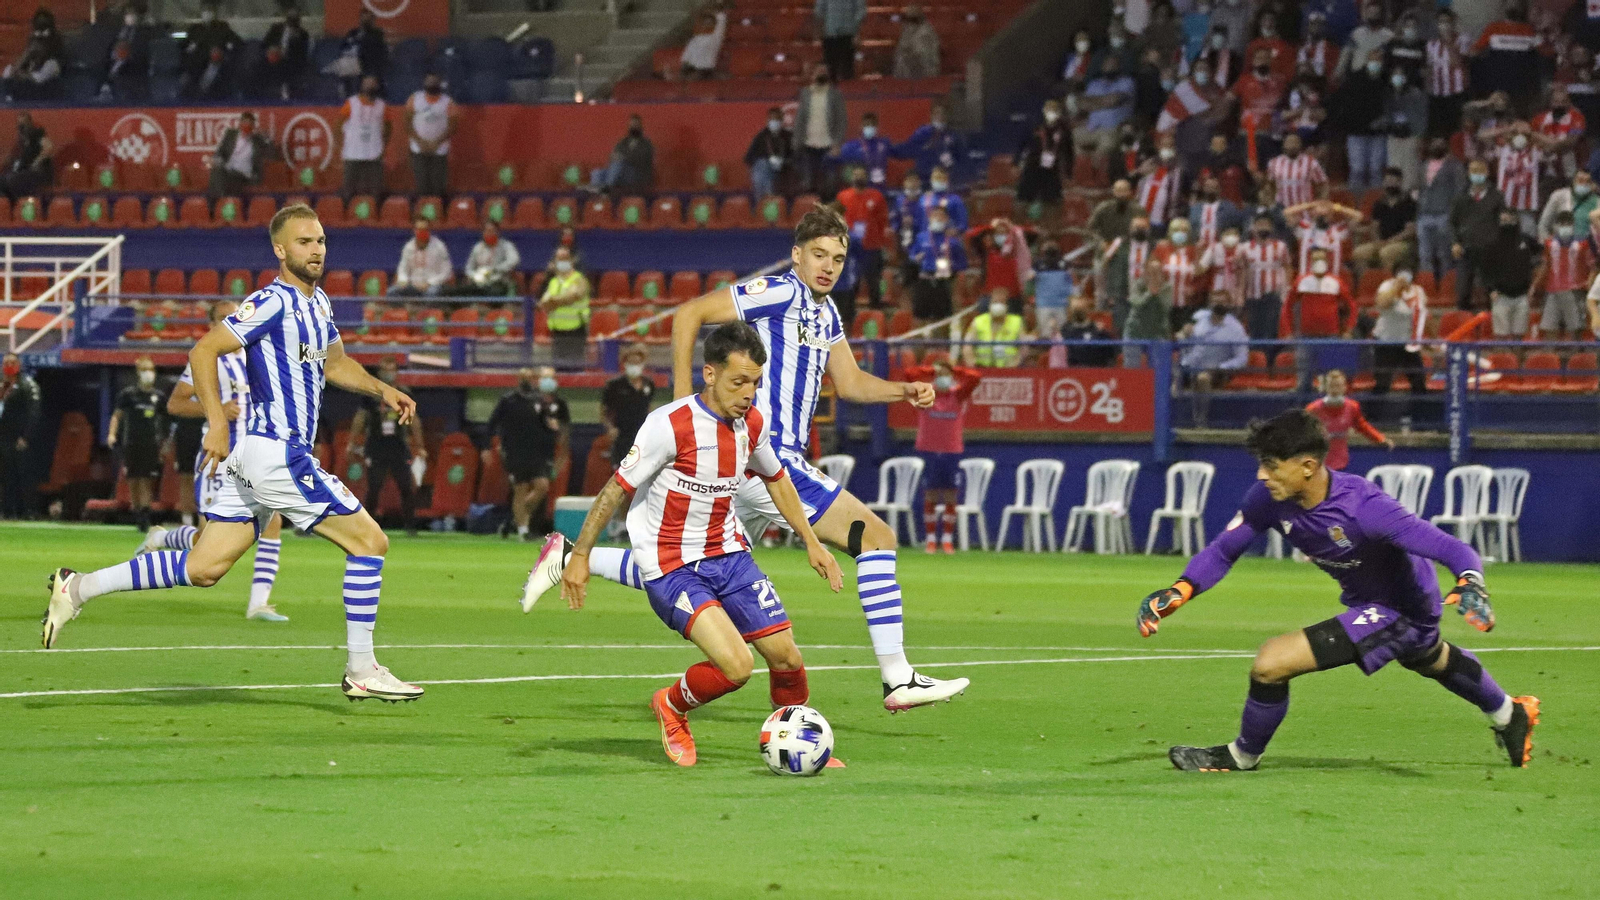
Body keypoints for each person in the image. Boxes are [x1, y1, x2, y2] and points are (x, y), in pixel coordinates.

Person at [527, 207, 969, 711]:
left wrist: (901, 391)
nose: (828, 266)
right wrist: (682, 399)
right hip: (766, 455)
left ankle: (568, 556)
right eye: (819, 255)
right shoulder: (780, 292)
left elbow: (848, 384)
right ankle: (897, 677)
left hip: (751, 462)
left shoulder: (826, 315)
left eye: (839, 259)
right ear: (797, 256)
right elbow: (689, 313)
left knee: (694, 559)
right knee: (877, 538)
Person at [43, 205, 425, 703]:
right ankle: (362, 668)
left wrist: (382, 390)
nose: (317, 250)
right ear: (280, 250)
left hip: (259, 460)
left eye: (322, 240)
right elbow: (203, 350)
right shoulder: (271, 302)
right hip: (276, 454)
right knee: (370, 543)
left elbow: (336, 364)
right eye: (305, 242)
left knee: (204, 568)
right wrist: (217, 425)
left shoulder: (320, 304)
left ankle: (77, 589)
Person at [1139, 409, 1537, 772]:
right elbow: (1224, 550)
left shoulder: (1365, 508)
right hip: (1372, 602)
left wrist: (1470, 580)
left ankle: (1242, 755)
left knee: (1271, 663)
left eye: (1272, 466)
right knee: (1430, 659)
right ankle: (1509, 714)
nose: (1262, 475)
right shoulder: (1269, 498)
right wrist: (1180, 590)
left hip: (1402, 608)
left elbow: (1451, 547)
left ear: (1308, 466)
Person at [559, 322, 843, 767]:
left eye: (754, 383)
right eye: (738, 382)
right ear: (709, 374)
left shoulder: (752, 423)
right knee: (737, 667)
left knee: (787, 657)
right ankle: (671, 706)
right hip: (671, 566)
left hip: (728, 554)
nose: (748, 394)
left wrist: (811, 542)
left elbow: (777, 479)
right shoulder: (668, 425)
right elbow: (615, 489)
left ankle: (796, 740)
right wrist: (580, 555)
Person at [143, 300, 288, 622]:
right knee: (207, 543)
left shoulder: (256, 356)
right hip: (219, 456)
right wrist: (217, 410)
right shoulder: (209, 360)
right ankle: (162, 538)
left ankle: (258, 604)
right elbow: (176, 404)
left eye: (233, 317)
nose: (231, 323)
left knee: (273, 521)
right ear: (211, 324)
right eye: (223, 319)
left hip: (254, 455)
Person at [901, 358, 980, 553]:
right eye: (940, 374)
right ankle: (930, 539)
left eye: (947, 375)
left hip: (952, 450)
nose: (944, 378)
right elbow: (909, 374)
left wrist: (955, 370)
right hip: (929, 449)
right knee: (930, 494)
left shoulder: (958, 395)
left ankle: (946, 539)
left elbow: (975, 377)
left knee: (951, 495)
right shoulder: (925, 396)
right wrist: (930, 369)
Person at [487, 367, 569, 540]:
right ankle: (523, 530)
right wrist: (490, 446)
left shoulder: (539, 401)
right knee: (520, 488)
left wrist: (552, 427)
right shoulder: (508, 400)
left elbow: (548, 424)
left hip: (536, 451)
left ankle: (514, 520)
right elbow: (494, 423)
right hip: (515, 451)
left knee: (542, 486)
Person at [346, 357, 423, 536]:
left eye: (392, 369)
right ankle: (368, 525)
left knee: (406, 486)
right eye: (385, 370)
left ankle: (411, 526)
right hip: (376, 447)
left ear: (397, 372)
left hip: (398, 446)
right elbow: (360, 418)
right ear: (379, 373)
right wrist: (352, 442)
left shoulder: (404, 393)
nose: (389, 374)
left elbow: (415, 421)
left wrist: (420, 445)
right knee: (373, 487)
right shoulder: (370, 395)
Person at [108, 357, 166, 533]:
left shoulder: (159, 397)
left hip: (150, 443)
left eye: (151, 370)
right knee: (133, 478)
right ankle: (137, 512)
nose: (149, 374)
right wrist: (112, 433)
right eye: (145, 370)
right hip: (131, 442)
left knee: (146, 479)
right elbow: (117, 415)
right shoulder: (128, 395)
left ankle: (145, 513)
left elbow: (165, 420)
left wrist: (164, 443)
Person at [1179, 298, 1248, 427]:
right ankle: (1162, 423)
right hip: (1189, 364)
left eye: (1223, 299)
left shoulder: (1236, 328)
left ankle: (1200, 422)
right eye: (1215, 299)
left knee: (1202, 378)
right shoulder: (1199, 318)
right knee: (1165, 374)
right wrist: (1184, 335)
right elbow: (1184, 343)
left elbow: (1242, 359)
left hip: (1217, 370)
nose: (1219, 303)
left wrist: (1220, 367)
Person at [1306, 369, 1391, 470]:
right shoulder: (1314, 409)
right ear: (1326, 387)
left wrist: (1380, 439)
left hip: (1341, 463)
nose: (1335, 390)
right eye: (1332, 386)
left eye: (1338, 386)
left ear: (1344, 387)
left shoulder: (1352, 407)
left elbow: (1363, 427)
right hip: (1319, 464)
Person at [834, 166, 889, 320]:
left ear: (867, 177)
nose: (859, 177)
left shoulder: (877, 196)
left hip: (872, 246)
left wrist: (880, 242)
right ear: (851, 177)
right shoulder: (843, 196)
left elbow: (883, 221)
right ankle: (848, 317)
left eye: (862, 174)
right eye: (856, 174)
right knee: (852, 283)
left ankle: (876, 315)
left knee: (873, 281)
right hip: (850, 249)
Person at [1450, 158, 1504, 310]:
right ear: (1468, 174)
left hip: (1489, 250)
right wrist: (1455, 242)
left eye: (1480, 171)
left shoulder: (1497, 197)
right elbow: (1452, 223)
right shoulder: (1460, 198)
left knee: (1491, 292)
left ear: (1487, 173)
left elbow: (1503, 223)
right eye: (1474, 171)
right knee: (1462, 293)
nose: (1477, 174)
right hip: (1466, 249)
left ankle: (1490, 327)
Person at [1531, 212, 1592, 339]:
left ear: (1573, 225)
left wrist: (1589, 286)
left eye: (1568, 224)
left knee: (1575, 327)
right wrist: (1535, 286)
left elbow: (1590, 266)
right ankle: (1550, 356)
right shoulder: (1549, 244)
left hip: (1575, 290)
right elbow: (1545, 266)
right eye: (1562, 224)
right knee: (1549, 326)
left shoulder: (1582, 244)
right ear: (1557, 226)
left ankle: (1575, 356)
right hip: (1552, 290)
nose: (1565, 227)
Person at [1370, 270, 1428, 395]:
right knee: (1382, 382)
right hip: (1386, 342)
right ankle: (1375, 413)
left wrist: (1431, 341)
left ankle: (1418, 413)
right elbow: (1382, 304)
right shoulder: (1387, 286)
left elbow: (1423, 315)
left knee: (1418, 381)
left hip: (1408, 342)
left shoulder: (1418, 291)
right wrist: (1397, 288)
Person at [1416, 138, 1466, 282]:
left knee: (1444, 254)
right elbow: (1420, 188)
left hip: (1444, 214)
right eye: (1434, 144)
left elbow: (1460, 190)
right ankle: (1428, 285)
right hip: (1424, 214)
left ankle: (1446, 285)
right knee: (1424, 254)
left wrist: (1454, 213)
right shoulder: (1424, 165)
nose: (1436, 146)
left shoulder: (1454, 166)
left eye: (1439, 144)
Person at [1352, 167, 1417, 277]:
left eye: (1393, 181)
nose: (1389, 184)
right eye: (1387, 181)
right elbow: (1374, 227)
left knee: (1385, 253)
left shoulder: (1408, 203)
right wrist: (1378, 241)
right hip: (1382, 242)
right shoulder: (1379, 203)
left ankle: (1386, 285)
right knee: (1359, 252)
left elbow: (1410, 231)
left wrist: (1390, 241)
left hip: (1403, 243)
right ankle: (1364, 284)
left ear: (1399, 182)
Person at [600, 344, 655, 471]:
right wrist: (610, 428)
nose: (634, 365)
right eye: (631, 362)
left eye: (637, 362)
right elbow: (604, 411)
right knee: (621, 470)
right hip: (621, 435)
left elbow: (648, 407)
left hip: (641, 435)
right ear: (625, 364)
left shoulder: (649, 385)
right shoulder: (614, 386)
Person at [908, 204, 967, 323]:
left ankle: (941, 340)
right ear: (930, 218)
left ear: (946, 220)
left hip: (943, 281)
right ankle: (919, 340)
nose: (938, 219)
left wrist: (952, 265)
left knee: (942, 318)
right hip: (924, 280)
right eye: (935, 216)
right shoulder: (921, 237)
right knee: (920, 316)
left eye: (941, 217)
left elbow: (963, 264)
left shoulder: (953, 242)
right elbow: (912, 255)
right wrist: (916, 258)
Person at [1485, 209, 1538, 338]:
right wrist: (1490, 289)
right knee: (1500, 336)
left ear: (1516, 221)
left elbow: (1543, 260)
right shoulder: (1492, 242)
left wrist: (1533, 287)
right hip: (1500, 296)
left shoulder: (1526, 240)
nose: (1505, 224)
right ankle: (1501, 359)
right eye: (1502, 221)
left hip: (1522, 296)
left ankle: (1517, 359)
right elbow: (1485, 269)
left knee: (1519, 337)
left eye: (1508, 220)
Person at [1102, 212, 1157, 334]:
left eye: (1143, 228)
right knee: (1122, 324)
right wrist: (1110, 289)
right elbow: (1105, 261)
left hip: (1144, 288)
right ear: (1130, 228)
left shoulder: (1153, 246)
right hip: (1122, 288)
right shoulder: (1120, 242)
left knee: (1142, 325)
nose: (1139, 230)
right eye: (1136, 227)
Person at [0, 353, 40, 519]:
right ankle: (8, 511)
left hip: (20, 439)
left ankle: (27, 511)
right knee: (5, 475)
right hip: (4, 438)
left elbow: (34, 413)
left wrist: (25, 436)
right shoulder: (3, 386)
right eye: (6, 362)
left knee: (22, 475)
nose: (9, 366)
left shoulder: (27, 385)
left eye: (12, 362)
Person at [1241, 213, 1292, 344]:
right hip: (1253, 295)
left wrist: (1286, 289)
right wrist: (1241, 293)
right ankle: (1256, 356)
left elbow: (1287, 267)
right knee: (1254, 329)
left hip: (1273, 296)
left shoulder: (1280, 246)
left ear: (1271, 228)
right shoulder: (1245, 248)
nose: (1263, 227)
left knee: (1271, 330)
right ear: (1253, 228)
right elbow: (1242, 272)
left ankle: (1268, 359)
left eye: (1266, 225)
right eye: (1259, 225)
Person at [1016, 98, 1072, 217]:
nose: (1051, 113)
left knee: (1052, 201)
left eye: (1054, 110)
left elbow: (1068, 152)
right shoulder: (1034, 125)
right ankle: (1019, 228)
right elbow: (1021, 144)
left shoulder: (1064, 129)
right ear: (1044, 111)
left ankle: (1050, 230)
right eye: (1049, 110)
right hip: (1032, 166)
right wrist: (1015, 162)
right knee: (1023, 200)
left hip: (1052, 169)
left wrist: (1068, 172)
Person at [1282, 247, 1354, 340]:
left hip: (1331, 335)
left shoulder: (1336, 282)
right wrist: (1288, 332)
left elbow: (1352, 306)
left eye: (1322, 260)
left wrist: (1348, 330)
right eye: (1315, 260)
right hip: (1306, 336)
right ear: (1311, 262)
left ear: (1327, 262)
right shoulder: (1301, 281)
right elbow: (1287, 306)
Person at [1077, 58, 1135, 172]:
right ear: (1102, 68)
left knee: (1104, 147)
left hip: (1113, 130)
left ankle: (1097, 179)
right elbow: (1082, 103)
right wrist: (1104, 101)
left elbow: (1114, 101)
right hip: (1092, 128)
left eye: (1113, 66)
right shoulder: (1094, 83)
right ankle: (1082, 174)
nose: (1110, 69)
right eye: (1107, 66)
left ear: (1119, 68)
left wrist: (1093, 102)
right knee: (1073, 137)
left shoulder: (1127, 82)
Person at [338, 75, 389, 201]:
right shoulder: (351, 103)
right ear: (362, 86)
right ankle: (347, 214)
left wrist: (383, 145)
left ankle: (374, 215)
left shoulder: (382, 105)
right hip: (353, 153)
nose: (370, 86)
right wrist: (340, 145)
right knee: (349, 187)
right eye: (367, 83)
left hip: (374, 153)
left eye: (372, 83)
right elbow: (338, 125)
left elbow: (388, 127)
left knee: (375, 188)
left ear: (377, 86)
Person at [795, 69, 846, 194]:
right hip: (808, 144)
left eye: (823, 72)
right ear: (812, 76)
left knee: (830, 183)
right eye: (817, 72)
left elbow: (841, 120)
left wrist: (837, 143)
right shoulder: (805, 94)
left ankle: (828, 212)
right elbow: (800, 119)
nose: (820, 74)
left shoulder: (835, 95)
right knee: (808, 184)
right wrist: (797, 142)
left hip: (829, 145)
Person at [406, 73, 456, 198]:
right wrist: (420, 141)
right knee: (421, 185)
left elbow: (453, 126)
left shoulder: (448, 102)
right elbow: (407, 123)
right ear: (424, 83)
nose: (431, 84)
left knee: (438, 185)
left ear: (439, 84)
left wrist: (437, 142)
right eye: (429, 81)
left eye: (434, 82)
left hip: (439, 148)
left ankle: (438, 212)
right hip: (418, 147)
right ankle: (422, 214)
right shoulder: (415, 98)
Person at [540, 245, 591, 367]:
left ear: (571, 261)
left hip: (575, 331)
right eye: (559, 259)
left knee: (574, 370)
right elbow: (543, 304)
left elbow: (572, 297)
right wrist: (554, 301)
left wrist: (553, 301)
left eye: (565, 258)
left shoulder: (579, 279)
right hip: (557, 332)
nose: (562, 262)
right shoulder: (553, 282)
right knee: (558, 369)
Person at [207, 112, 274, 204]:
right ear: (240, 123)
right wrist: (217, 160)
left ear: (253, 126)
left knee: (228, 181)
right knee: (216, 172)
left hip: (244, 174)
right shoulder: (230, 134)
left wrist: (267, 139)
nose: (247, 125)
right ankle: (216, 204)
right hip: (228, 170)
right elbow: (220, 152)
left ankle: (219, 204)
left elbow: (272, 154)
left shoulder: (257, 140)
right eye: (245, 122)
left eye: (250, 123)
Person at [178, 0, 241, 100]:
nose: (207, 13)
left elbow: (236, 42)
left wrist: (224, 50)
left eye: (209, 10)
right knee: (184, 79)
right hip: (196, 62)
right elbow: (183, 46)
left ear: (214, 13)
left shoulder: (222, 27)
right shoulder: (195, 29)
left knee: (211, 71)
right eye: (205, 10)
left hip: (215, 61)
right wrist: (190, 48)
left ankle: (202, 94)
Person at [1379, 69, 1428, 190]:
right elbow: (1386, 115)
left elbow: (1421, 117)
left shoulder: (1415, 94)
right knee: (1394, 169)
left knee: (1410, 171)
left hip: (1411, 136)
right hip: (1393, 137)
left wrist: (1419, 136)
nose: (1397, 78)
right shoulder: (1387, 94)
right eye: (1395, 75)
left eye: (1400, 75)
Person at [2, 8, 64, 102]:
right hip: (21, 100)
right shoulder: (29, 60)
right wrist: (27, 54)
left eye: (42, 43)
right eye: (36, 42)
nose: (37, 46)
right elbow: (10, 73)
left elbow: (37, 80)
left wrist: (22, 75)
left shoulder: (52, 64)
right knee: (7, 71)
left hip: (42, 102)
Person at [1425, 10, 1470, 139]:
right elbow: (1430, 68)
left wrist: (1448, 42)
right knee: (1437, 130)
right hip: (1437, 94)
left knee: (1455, 130)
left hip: (1457, 92)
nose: (1444, 25)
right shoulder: (1431, 44)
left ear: (1453, 23)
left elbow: (1458, 62)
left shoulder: (1462, 39)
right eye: (1441, 22)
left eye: (1447, 22)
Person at [897, 106, 967, 185]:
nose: (940, 117)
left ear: (947, 116)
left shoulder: (953, 136)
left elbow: (962, 159)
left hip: (943, 179)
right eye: (937, 113)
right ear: (931, 116)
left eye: (942, 114)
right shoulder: (923, 132)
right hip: (923, 178)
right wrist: (890, 150)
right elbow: (908, 148)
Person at [98, 4, 154, 101]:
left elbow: (144, 54)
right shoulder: (117, 32)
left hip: (137, 75)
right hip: (119, 76)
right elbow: (109, 53)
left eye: (132, 14)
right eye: (128, 14)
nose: (130, 16)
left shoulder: (144, 33)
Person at [1124, 256, 1173, 368]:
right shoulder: (1137, 284)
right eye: (1152, 272)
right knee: (1131, 368)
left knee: (1158, 368)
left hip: (1158, 332)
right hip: (1135, 332)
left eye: (1157, 272)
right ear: (1145, 272)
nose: (1154, 275)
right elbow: (1136, 303)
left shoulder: (1167, 287)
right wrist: (1149, 293)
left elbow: (1166, 307)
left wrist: (1157, 293)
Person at [963, 289, 1029, 368]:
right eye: (995, 302)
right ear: (990, 305)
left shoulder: (1017, 322)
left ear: (1007, 306)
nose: (998, 306)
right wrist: (972, 364)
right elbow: (967, 346)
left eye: (1001, 302)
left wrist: (1016, 364)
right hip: (982, 367)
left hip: (1009, 369)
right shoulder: (978, 321)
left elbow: (1024, 348)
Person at [590, 114, 655, 195]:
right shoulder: (623, 142)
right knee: (597, 172)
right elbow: (614, 155)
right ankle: (596, 194)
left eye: (636, 125)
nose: (633, 127)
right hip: (618, 173)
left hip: (636, 174)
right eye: (632, 125)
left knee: (618, 165)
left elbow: (642, 159)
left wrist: (623, 158)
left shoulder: (646, 144)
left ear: (640, 126)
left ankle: (607, 189)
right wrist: (615, 157)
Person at [388, 218, 452, 297]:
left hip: (432, 284)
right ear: (414, 230)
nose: (422, 232)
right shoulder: (408, 247)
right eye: (419, 229)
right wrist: (403, 280)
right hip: (412, 284)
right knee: (392, 292)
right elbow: (403, 267)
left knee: (431, 293)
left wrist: (429, 283)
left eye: (425, 229)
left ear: (429, 230)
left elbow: (447, 272)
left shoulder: (439, 246)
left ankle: (429, 309)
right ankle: (401, 309)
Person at [260, 6, 310, 101]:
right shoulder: (276, 28)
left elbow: (302, 54)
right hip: (272, 56)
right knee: (259, 62)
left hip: (290, 60)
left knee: (286, 65)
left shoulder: (302, 34)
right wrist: (272, 48)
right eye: (290, 17)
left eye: (295, 18)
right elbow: (264, 44)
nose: (292, 21)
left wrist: (294, 41)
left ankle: (284, 90)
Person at [0, 112, 53, 202]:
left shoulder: (37, 134)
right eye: (19, 124)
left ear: (29, 123)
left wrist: (36, 162)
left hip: (37, 173)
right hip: (21, 173)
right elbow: (11, 156)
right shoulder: (21, 142)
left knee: (12, 180)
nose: (21, 127)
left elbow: (48, 147)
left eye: (24, 124)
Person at [458, 222, 520, 297]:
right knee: (461, 290)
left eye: (491, 231)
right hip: (479, 282)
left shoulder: (506, 246)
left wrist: (496, 269)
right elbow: (469, 267)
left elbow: (514, 260)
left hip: (498, 281)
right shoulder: (478, 247)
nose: (489, 233)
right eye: (486, 231)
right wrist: (474, 276)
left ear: (497, 232)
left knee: (494, 293)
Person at [1263, 133, 1325, 208]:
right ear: (1284, 145)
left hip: (1305, 210)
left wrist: (1320, 204)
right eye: (1289, 142)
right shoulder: (1274, 163)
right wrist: (1271, 203)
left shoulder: (1311, 163)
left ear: (1300, 145)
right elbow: (1269, 185)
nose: (1292, 146)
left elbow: (1322, 184)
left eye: (1295, 142)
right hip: (1282, 211)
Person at [745, 108, 794, 201]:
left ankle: (769, 201)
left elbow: (796, 156)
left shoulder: (788, 137)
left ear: (782, 121)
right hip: (764, 170)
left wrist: (783, 161)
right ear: (767, 120)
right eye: (772, 119)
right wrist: (766, 161)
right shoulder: (761, 137)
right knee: (762, 166)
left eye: (777, 119)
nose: (774, 122)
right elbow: (749, 157)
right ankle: (765, 200)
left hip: (784, 169)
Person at [338, 7, 389, 92]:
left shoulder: (377, 34)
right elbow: (343, 48)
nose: (365, 20)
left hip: (368, 65)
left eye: (368, 18)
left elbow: (380, 54)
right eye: (364, 18)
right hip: (351, 63)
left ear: (373, 20)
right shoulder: (353, 33)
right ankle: (345, 92)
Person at [1060, 292, 1117, 367]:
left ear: (1087, 309)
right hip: (1072, 371)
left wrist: (1101, 333)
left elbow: (1110, 353)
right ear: (1070, 310)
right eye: (1075, 308)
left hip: (1095, 371)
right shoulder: (1065, 329)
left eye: (1081, 308)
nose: (1078, 311)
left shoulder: (1097, 329)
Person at [838, 112, 893, 190]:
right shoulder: (851, 146)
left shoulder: (884, 143)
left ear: (877, 127)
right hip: (860, 188)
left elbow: (899, 152)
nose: (869, 127)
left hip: (879, 187)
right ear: (861, 127)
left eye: (872, 125)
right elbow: (840, 162)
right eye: (866, 125)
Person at [1538, 171, 1597, 243]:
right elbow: (1544, 226)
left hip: (1586, 249)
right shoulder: (1559, 196)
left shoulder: (1597, 201)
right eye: (1580, 180)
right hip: (1560, 247)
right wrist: (1548, 246)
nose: (1583, 184)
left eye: (1588, 181)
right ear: (1573, 181)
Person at [815, 0, 865, 81]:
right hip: (830, 34)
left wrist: (854, 27)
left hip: (848, 35)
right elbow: (819, 11)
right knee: (830, 69)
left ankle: (848, 90)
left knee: (847, 69)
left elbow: (861, 11)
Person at [892, 4, 941, 79]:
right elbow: (901, 49)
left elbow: (925, 53)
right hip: (908, 67)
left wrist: (911, 54)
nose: (910, 22)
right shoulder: (906, 31)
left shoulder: (926, 31)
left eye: (913, 19)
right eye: (909, 18)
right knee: (901, 60)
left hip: (925, 67)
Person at [678, 6, 727, 79]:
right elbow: (685, 60)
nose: (705, 26)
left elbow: (721, 19)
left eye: (709, 23)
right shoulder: (694, 40)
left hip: (706, 71)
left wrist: (708, 11)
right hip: (691, 70)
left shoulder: (715, 38)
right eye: (704, 23)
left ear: (713, 26)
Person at [1089, 179, 1138, 245]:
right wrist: (1101, 241)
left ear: (1129, 192)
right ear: (1114, 192)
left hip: (1127, 247)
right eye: (1119, 191)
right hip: (1106, 246)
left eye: (1124, 191)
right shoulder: (1103, 208)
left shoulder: (1137, 211)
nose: (1121, 194)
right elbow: (1091, 229)